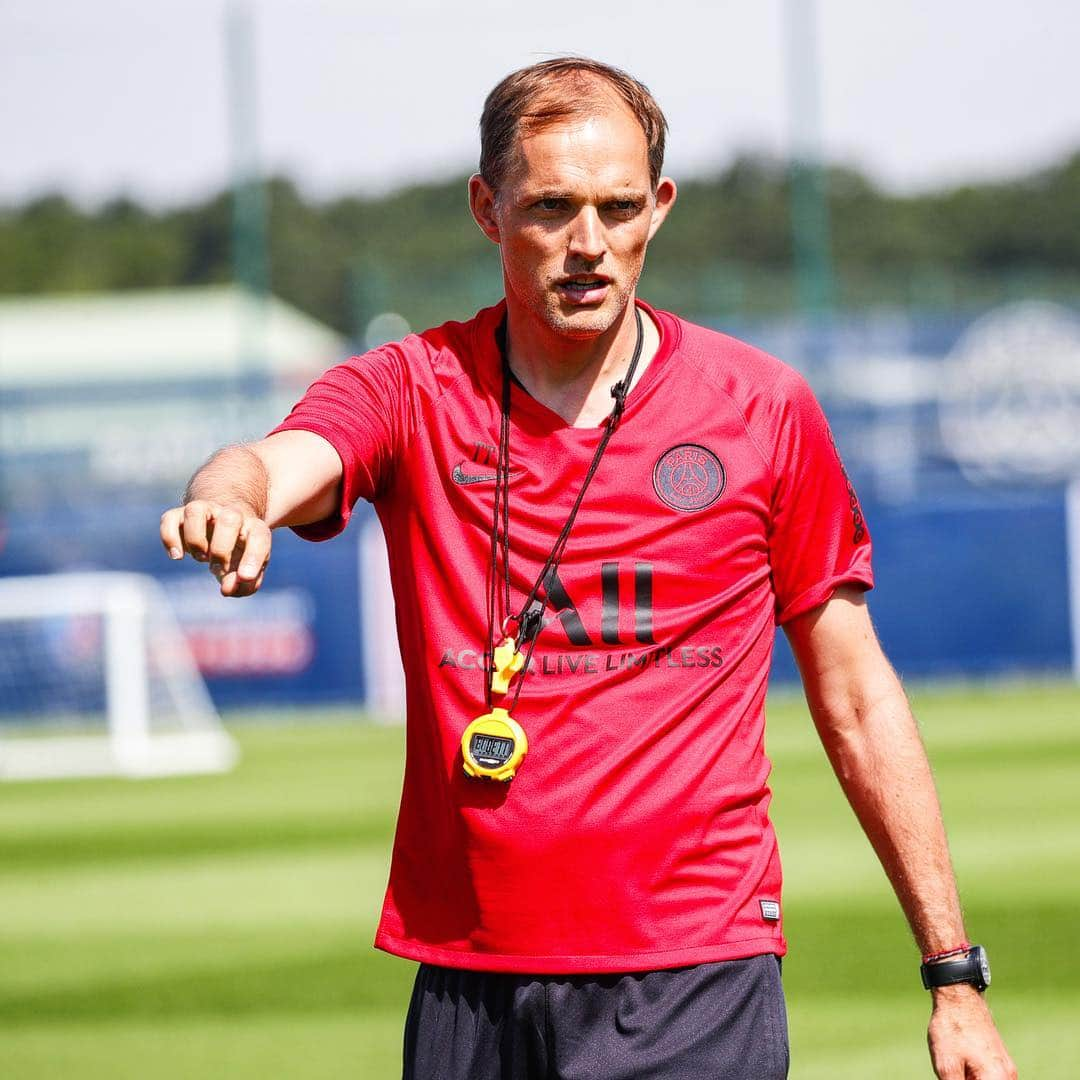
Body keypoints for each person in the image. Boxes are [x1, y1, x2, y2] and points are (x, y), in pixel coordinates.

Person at [160, 57, 1016, 1080]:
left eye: (617, 208)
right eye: (552, 207)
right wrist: (229, 500)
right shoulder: (413, 386)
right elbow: (270, 459)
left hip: (693, 972)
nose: (588, 245)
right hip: (467, 981)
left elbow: (858, 698)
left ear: (659, 205)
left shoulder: (762, 408)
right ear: (487, 208)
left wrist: (951, 973)